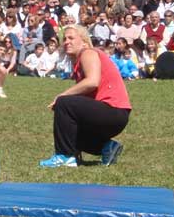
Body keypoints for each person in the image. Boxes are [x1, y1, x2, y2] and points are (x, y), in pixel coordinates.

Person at [40, 25, 131, 168]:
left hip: (113, 111)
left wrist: (61, 96)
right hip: (116, 115)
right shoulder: (79, 64)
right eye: (64, 39)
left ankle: (65, 156)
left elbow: (92, 82)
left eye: (71, 38)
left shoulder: (87, 53)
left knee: (64, 103)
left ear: (83, 42)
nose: (66, 42)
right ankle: (107, 147)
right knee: (69, 128)